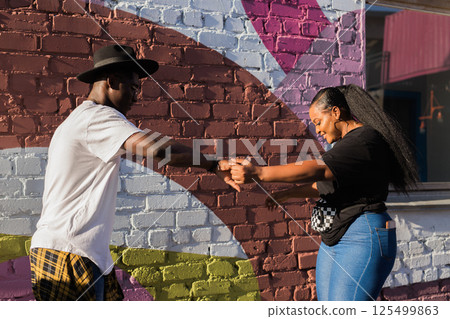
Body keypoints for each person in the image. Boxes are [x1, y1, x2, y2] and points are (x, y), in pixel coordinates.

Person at [29, 45, 238, 301]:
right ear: (112, 81)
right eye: (134, 87)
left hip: (80, 251)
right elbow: (157, 150)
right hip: (70, 252)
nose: (137, 97)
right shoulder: (97, 117)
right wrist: (212, 164)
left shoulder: (79, 119)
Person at [228, 84, 418, 301]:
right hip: (335, 237)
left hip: (362, 236)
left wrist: (259, 173)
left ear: (336, 112)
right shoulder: (347, 145)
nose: (317, 130)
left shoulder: (364, 139)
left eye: (318, 122)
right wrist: (288, 194)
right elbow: (324, 183)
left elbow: (319, 169)